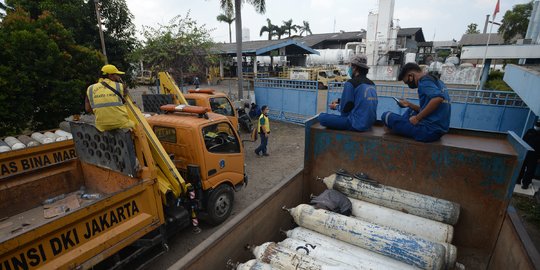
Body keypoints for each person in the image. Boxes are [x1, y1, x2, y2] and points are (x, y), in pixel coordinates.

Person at [381, 62, 451, 142]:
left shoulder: (424, 81)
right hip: (439, 130)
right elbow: (430, 108)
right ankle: (399, 128)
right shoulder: (437, 81)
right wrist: (409, 104)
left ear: (411, 76)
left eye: (407, 82)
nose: (409, 85)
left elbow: (438, 98)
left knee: (386, 115)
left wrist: (417, 118)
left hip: (428, 131)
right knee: (411, 111)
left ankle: (396, 129)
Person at [318, 54, 378, 131]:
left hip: (356, 124)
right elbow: (360, 100)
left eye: (350, 66)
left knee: (322, 117)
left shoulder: (351, 83)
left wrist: (336, 106)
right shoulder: (372, 84)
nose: (349, 68)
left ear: (355, 67)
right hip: (369, 123)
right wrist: (340, 101)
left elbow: (344, 110)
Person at [85, 64, 134, 132]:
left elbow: (87, 109)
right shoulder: (120, 86)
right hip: (121, 123)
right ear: (110, 76)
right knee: (136, 126)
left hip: (101, 126)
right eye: (116, 75)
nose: (118, 76)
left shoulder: (90, 88)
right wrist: (121, 82)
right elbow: (125, 100)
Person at [518, 120, 540, 189]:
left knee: (530, 170)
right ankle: (518, 180)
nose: (536, 127)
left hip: (535, 155)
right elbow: (523, 140)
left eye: (538, 126)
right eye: (536, 125)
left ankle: (525, 183)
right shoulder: (530, 131)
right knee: (521, 167)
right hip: (526, 153)